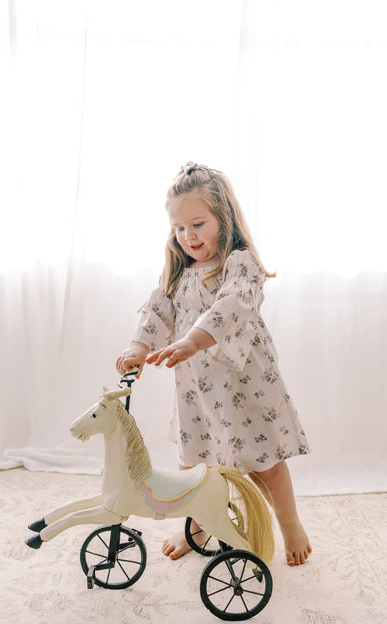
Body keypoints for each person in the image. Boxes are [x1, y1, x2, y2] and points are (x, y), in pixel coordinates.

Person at [116, 162, 312, 566]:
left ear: (223, 218)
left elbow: (231, 307)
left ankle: (289, 523)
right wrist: (138, 347)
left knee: (265, 464)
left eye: (198, 224)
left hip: (245, 387)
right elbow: (157, 313)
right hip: (198, 394)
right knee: (195, 467)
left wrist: (191, 340)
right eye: (178, 228)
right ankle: (198, 526)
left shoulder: (240, 264)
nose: (188, 236)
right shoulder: (179, 273)